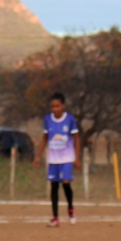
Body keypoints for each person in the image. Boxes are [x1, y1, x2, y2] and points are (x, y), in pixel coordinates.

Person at [33, 93, 79, 227]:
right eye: (52, 107)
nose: (55, 109)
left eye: (57, 106)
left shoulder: (69, 119)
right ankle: (55, 218)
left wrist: (77, 158)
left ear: (63, 106)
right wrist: (37, 156)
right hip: (53, 158)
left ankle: (71, 209)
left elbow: (76, 138)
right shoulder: (48, 119)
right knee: (54, 186)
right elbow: (45, 138)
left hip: (67, 157)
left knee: (66, 183)